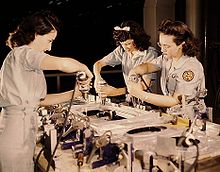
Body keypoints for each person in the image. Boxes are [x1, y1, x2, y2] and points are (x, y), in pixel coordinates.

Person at [0, 10, 93, 172]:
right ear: (36, 34)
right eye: (49, 40)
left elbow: (41, 100)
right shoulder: (23, 54)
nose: (50, 47)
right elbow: (63, 64)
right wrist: (83, 67)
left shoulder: (25, 62)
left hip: (24, 126)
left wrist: (76, 93)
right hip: (16, 129)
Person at [127, 19, 207, 120]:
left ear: (181, 45)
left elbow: (174, 100)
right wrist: (134, 72)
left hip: (190, 118)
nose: (162, 49)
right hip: (172, 114)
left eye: (167, 46)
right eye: (161, 44)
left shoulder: (190, 68)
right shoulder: (167, 58)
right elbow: (147, 66)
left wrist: (140, 94)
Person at [93, 20, 158, 105]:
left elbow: (145, 85)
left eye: (128, 44)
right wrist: (97, 77)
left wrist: (115, 92)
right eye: (122, 44)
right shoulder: (122, 50)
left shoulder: (150, 54)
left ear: (137, 39)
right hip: (130, 100)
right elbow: (98, 63)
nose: (125, 47)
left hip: (148, 101)